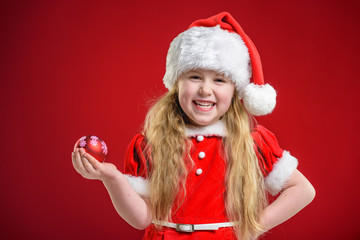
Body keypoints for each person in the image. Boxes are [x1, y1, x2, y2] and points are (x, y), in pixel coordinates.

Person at [72, 12, 315, 240]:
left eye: (219, 79)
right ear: (177, 82)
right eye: (195, 76)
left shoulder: (251, 142)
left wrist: (252, 228)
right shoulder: (151, 143)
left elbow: (303, 190)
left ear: (235, 90)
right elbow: (141, 218)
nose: (205, 89)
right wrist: (112, 178)